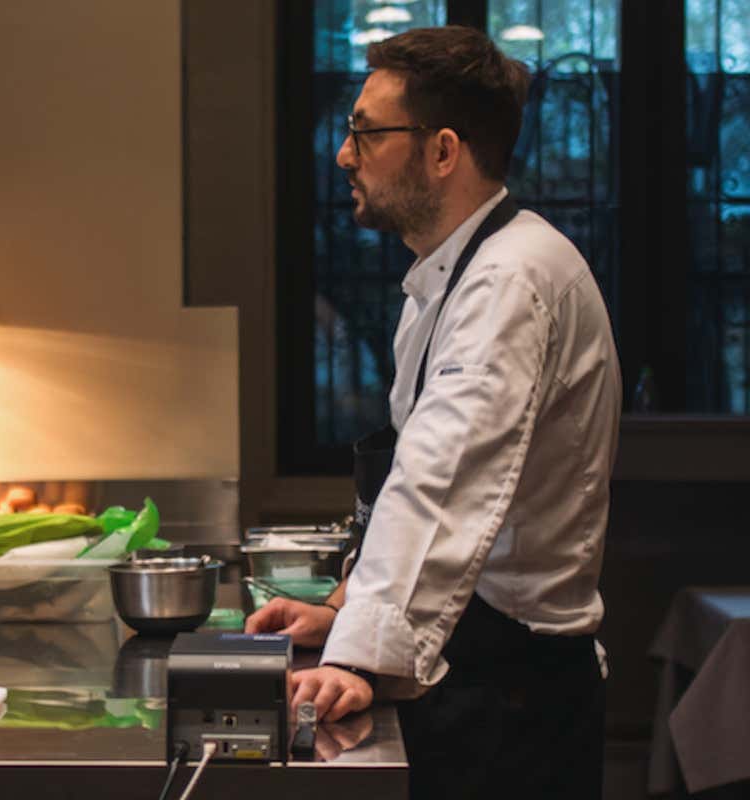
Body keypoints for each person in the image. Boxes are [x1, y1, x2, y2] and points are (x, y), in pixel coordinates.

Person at [246, 26, 620, 799]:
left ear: (443, 151)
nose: (344, 154)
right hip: (475, 665)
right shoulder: (451, 273)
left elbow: (442, 479)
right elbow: (410, 478)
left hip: (513, 696)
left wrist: (358, 656)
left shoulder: (509, 280)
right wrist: (341, 611)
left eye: (365, 132)